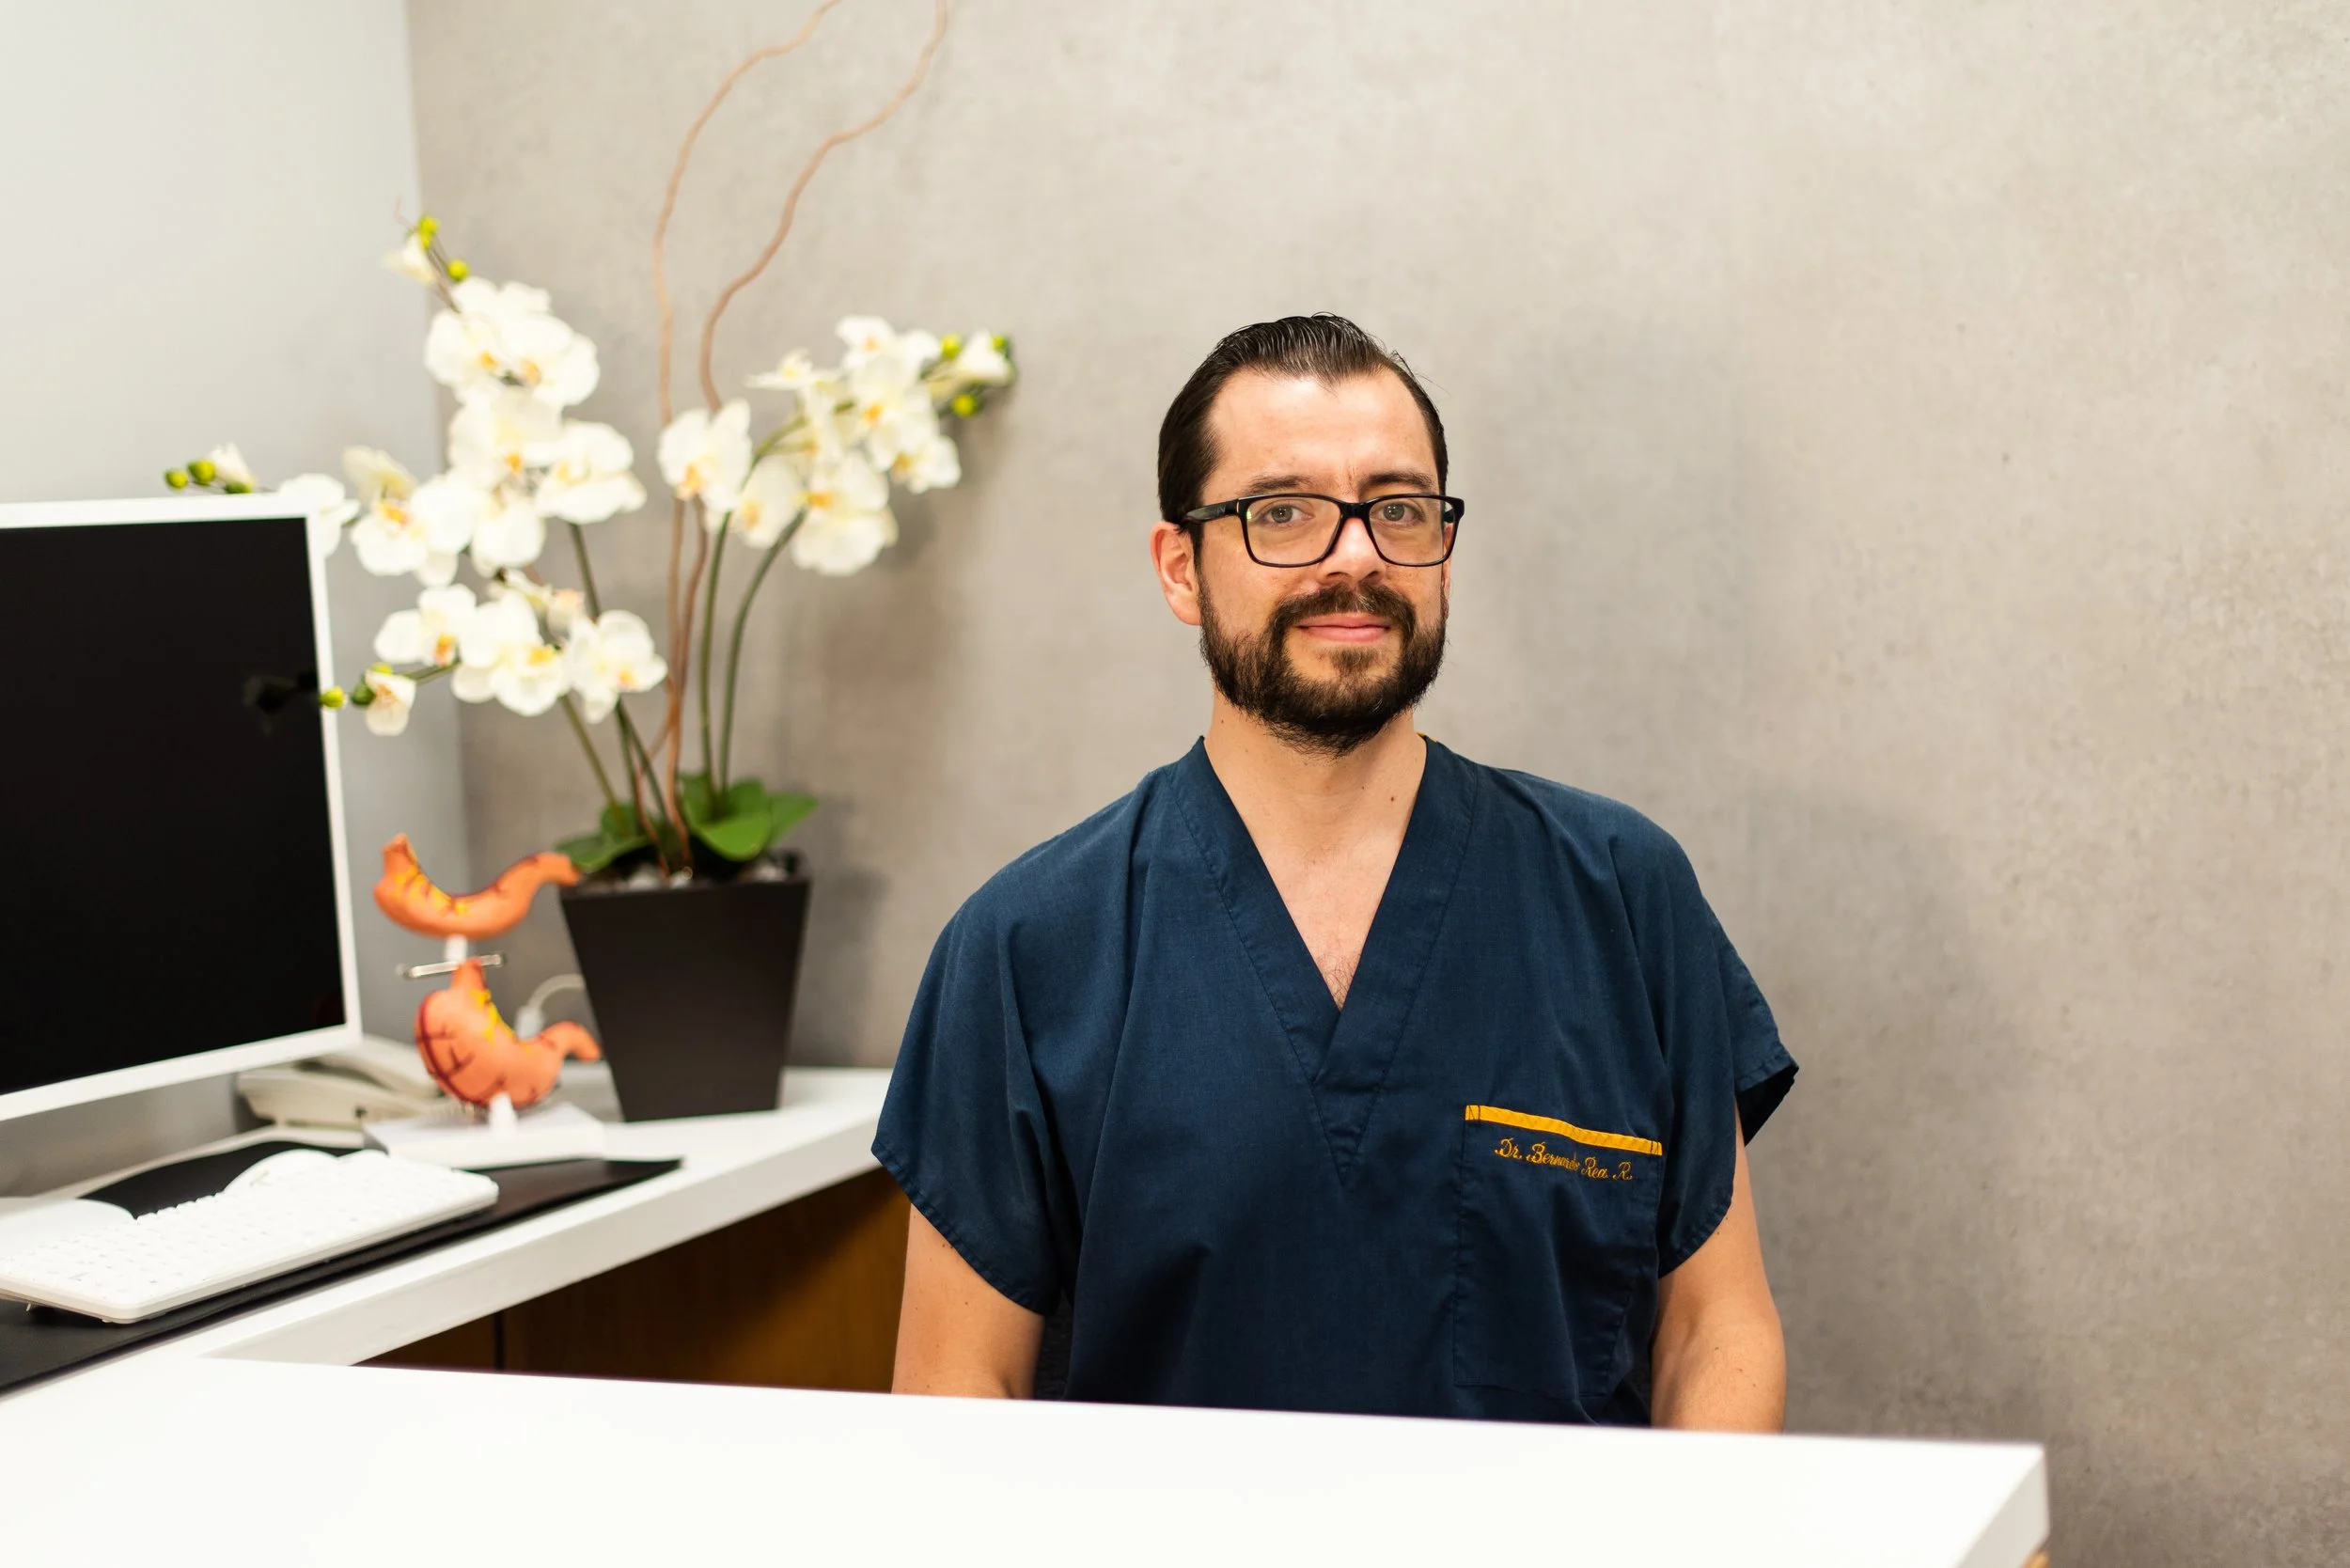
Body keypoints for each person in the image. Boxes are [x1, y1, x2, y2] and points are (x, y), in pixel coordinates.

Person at [877, 314, 1796, 1427]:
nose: (1354, 554)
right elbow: (955, 1390)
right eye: (1284, 514)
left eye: (1398, 509)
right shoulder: (1028, 948)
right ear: (1182, 569)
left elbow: (1717, 1328)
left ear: (1442, 555)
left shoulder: (1623, 895)